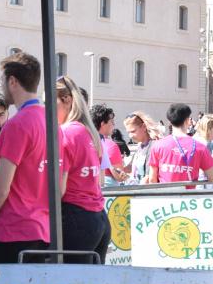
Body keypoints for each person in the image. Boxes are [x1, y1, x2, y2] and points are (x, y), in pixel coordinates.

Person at [0, 52, 50, 263]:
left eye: (2, 81)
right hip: (44, 231)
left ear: (12, 81)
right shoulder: (51, 124)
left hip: (12, 233)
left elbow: (1, 188)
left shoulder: (17, 125)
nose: (2, 86)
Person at [56, 76, 111, 263]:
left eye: (49, 103)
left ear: (68, 101)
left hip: (76, 217)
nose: (45, 109)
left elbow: (59, 189)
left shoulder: (65, 133)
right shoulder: (89, 131)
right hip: (99, 217)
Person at [146, 103, 213, 187]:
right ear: (187, 121)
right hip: (188, 198)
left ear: (169, 121)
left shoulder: (158, 145)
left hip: (165, 197)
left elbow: (152, 179)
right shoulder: (200, 147)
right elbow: (212, 178)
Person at [91, 104, 129, 186]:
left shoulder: (86, 141)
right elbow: (119, 176)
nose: (113, 125)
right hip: (108, 192)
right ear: (103, 124)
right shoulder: (110, 145)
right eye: (112, 121)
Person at [123, 111, 163, 184]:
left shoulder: (152, 145)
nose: (131, 136)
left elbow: (149, 176)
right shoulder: (140, 146)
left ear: (144, 127)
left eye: (133, 131)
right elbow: (129, 168)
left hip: (144, 191)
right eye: (128, 132)